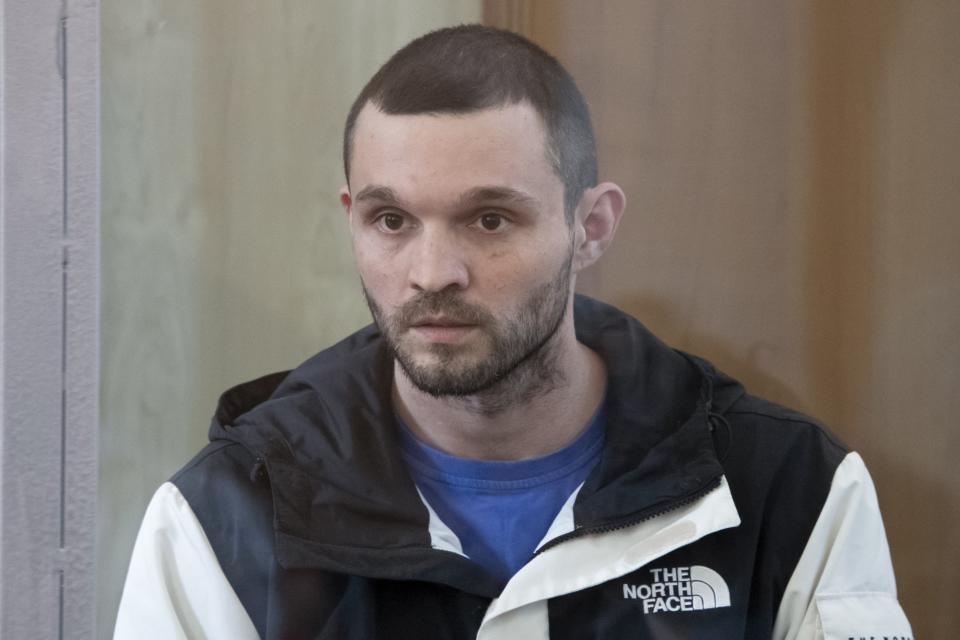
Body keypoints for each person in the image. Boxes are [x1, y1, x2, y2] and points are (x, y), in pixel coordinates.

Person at [114, 25, 913, 639]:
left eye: (489, 218)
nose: (433, 272)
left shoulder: (790, 490)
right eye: (393, 220)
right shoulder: (226, 515)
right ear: (352, 220)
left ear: (590, 227)